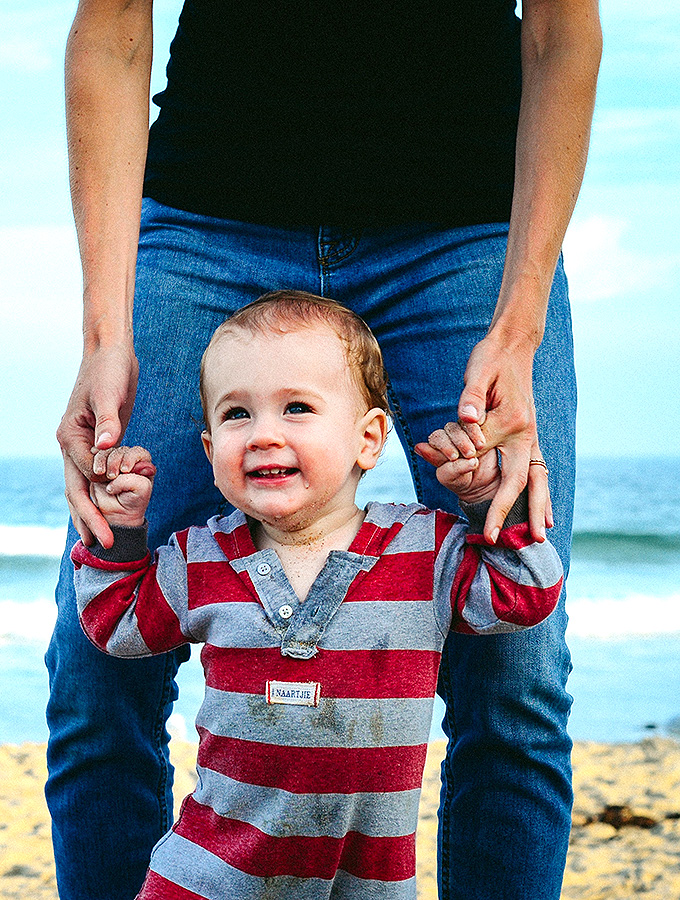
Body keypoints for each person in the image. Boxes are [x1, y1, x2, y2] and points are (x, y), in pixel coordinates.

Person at [47, 2, 601, 898]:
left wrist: (519, 324)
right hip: (204, 225)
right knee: (94, 669)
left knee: (518, 677)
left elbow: (560, 32)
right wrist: (106, 335)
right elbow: (112, 28)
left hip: (465, 235)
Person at [70, 292, 564, 899]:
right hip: (207, 879)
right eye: (235, 415)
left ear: (369, 439)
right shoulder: (200, 558)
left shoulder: (425, 552)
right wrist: (121, 536)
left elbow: (525, 593)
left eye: (297, 408)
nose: (262, 435)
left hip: (365, 884)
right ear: (208, 451)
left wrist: (490, 501)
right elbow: (115, 625)